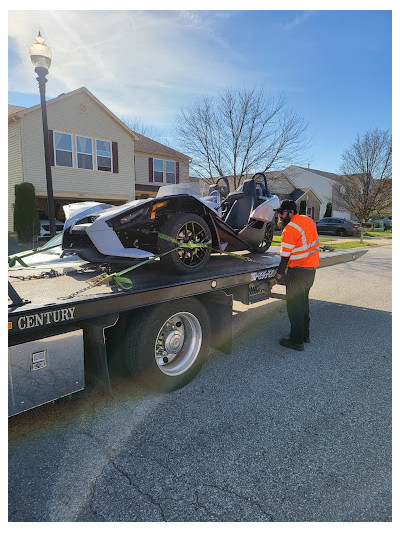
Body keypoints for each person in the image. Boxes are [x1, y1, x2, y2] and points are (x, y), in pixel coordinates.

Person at [274, 200, 319, 351]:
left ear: (291, 212)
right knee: (303, 305)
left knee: (294, 308)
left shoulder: (289, 229)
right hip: (310, 271)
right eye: (279, 212)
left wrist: (279, 276)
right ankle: (305, 335)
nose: (279, 215)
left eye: (282, 212)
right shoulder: (308, 220)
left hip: (298, 273)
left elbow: (284, 258)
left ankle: (296, 341)